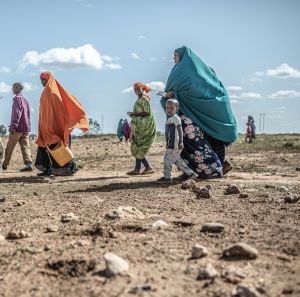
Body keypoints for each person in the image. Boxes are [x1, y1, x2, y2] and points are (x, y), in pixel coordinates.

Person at [160, 46, 237, 179]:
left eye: (176, 56)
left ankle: (213, 170)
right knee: (185, 145)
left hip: (196, 116)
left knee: (199, 144)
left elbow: (196, 91)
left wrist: (175, 94)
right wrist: (171, 95)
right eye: (174, 57)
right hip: (187, 115)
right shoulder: (179, 72)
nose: (174, 59)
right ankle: (190, 172)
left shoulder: (190, 73)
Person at [35, 71, 89, 176]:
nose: (42, 82)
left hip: (54, 126)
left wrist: (60, 123)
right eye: (41, 80)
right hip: (47, 126)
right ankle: (49, 169)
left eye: (44, 79)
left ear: (49, 79)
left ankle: (68, 168)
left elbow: (61, 109)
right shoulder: (47, 92)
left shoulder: (52, 92)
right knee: (46, 146)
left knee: (57, 148)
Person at [157, 99, 196, 183]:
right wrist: (167, 142)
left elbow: (180, 130)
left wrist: (181, 142)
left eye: (172, 108)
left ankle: (167, 178)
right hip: (171, 144)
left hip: (175, 144)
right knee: (177, 160)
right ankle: (190, 173)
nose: (169, 110)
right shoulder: (170, 118)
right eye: (167, 108)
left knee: (167, 160)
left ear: (176, 109)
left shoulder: (176, 118)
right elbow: (168, 133)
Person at [2, 83, 33, 172]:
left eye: (13, 87)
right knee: (25, 147)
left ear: (18, 88)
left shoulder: (17, 99)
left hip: (18, 128)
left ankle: (4, 165)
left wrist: (13, 126)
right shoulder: (25, 100)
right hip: (26, 128)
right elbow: (27, 114)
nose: (12, 89)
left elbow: (17, 113)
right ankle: (29, 164)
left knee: (9, 147)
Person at [127, 82, 156, 175]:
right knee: (137, 146)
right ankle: (141, 168)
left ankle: (144, 168)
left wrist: (134, 114)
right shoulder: (139, 100)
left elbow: (147, 113)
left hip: (145, 127)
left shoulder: (144, 99)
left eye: (138, 89)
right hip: (140, 126)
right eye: (135, 89)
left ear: (142, 89)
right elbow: (140, 114)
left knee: (138, 146)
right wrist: (133, 114)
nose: (136, 91)